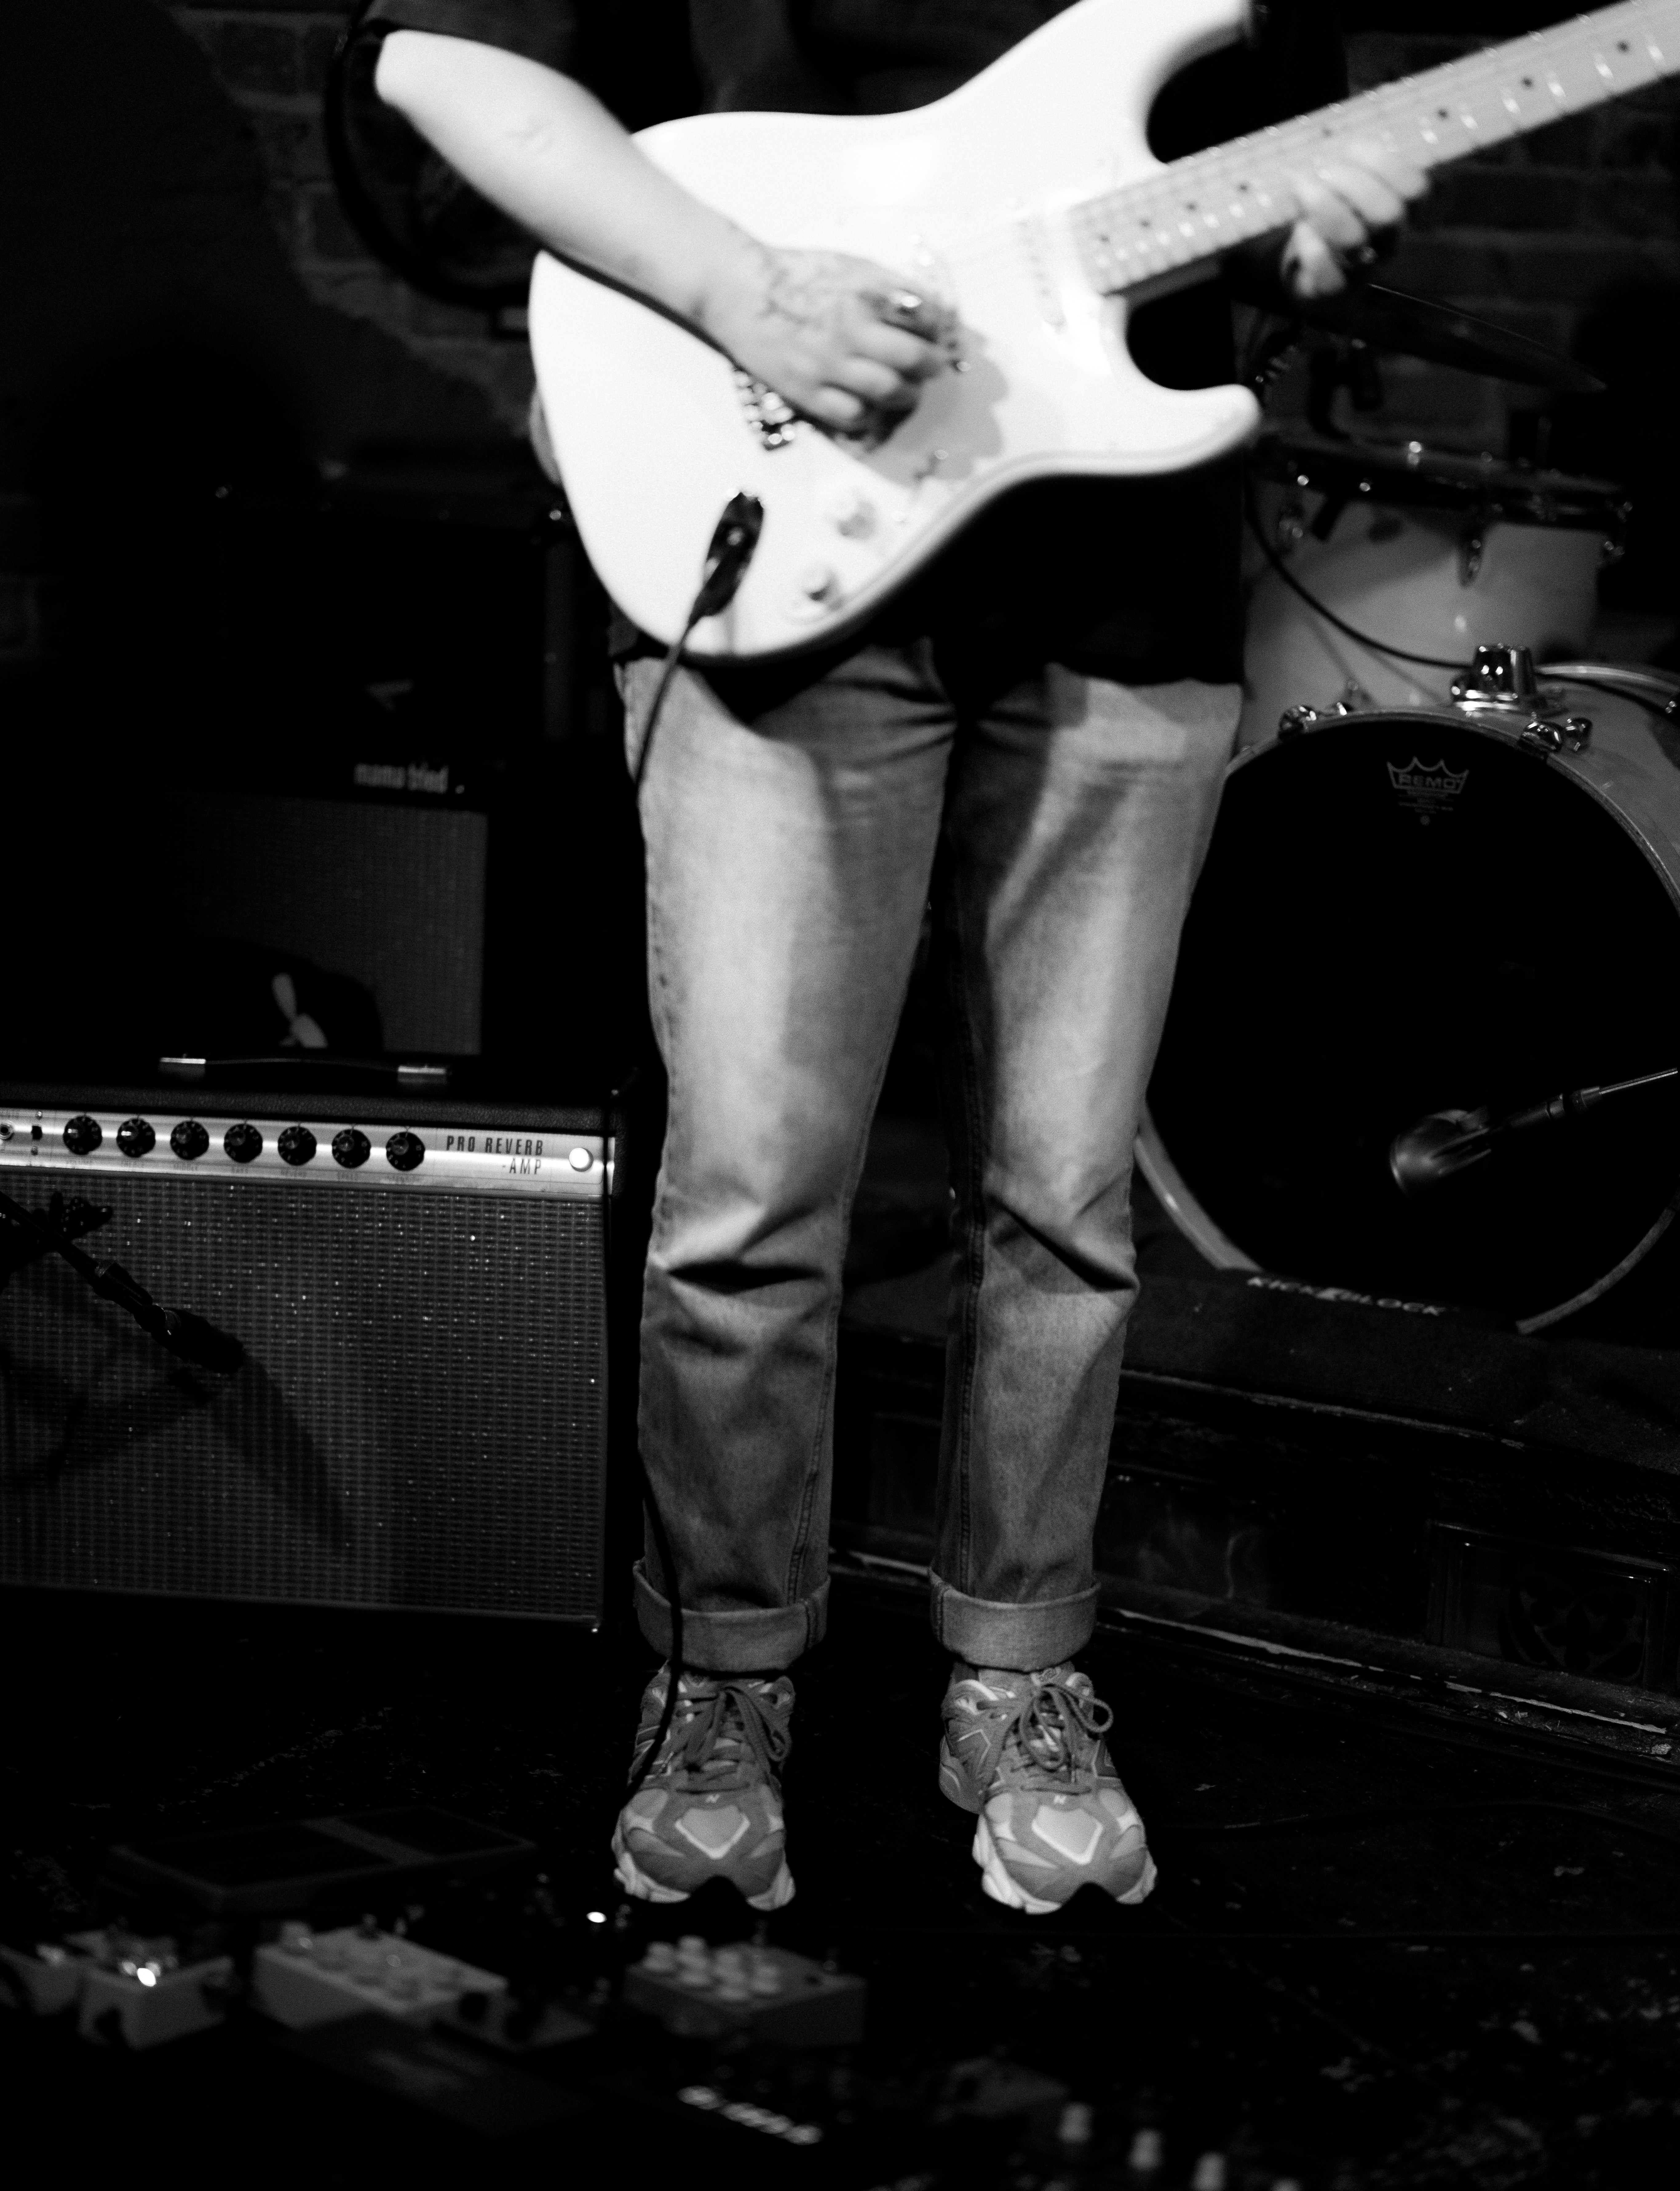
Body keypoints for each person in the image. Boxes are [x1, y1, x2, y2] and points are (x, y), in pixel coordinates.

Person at [360, 0, 1424, 1917]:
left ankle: (1017, 1670)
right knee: (755, 1195)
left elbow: (1251, 192)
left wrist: (1305, 228)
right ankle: (723, 1671)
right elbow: (439, 63)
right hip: (784, 554)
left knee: (1065, 1201)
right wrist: (743, 292)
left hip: (1125, 582)